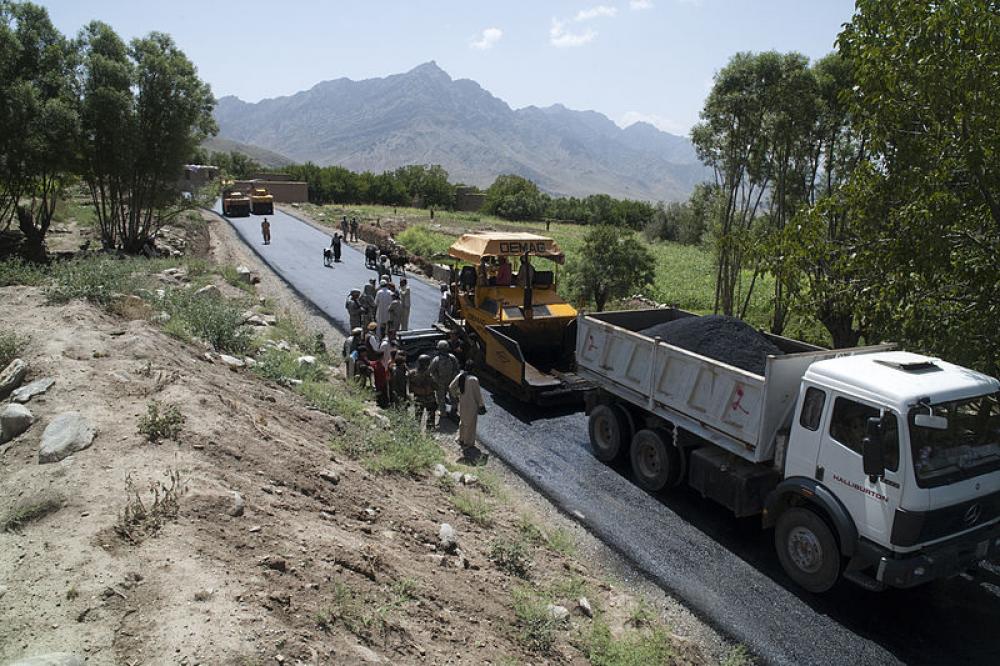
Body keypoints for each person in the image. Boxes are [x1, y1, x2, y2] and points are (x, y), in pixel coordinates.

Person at [450, 360, 486, 460]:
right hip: (472, 405)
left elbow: (451, 387)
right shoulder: (474, 379)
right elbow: (477, 395)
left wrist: (456, 395)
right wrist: (481, 405)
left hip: (462, 402)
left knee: (463, 421)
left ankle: (461, 439)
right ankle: (468, 443)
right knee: (471, 424)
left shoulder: (460, 376)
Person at [429, 339, 460, 421]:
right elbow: (457, 369)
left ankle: (443, 413)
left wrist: (436, 378)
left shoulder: (436, 359)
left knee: (441, 397)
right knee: (453, 396)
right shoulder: (452, 357)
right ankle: (454, 410)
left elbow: (431, 370)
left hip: (440, 382)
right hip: (451, 381)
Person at [408, 355, 437, 429]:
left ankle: (416, 432)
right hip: (430, 398)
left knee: (417, 417)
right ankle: (429, 433)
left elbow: (410, 387)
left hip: (418, 398)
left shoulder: (412, 373)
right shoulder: (430, 374)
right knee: (431, 417)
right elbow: (436, 386)